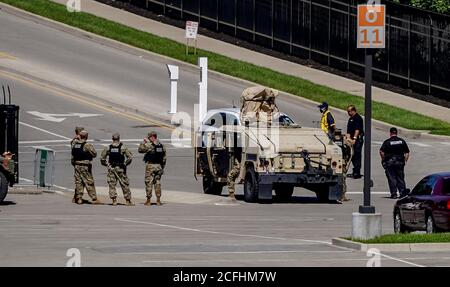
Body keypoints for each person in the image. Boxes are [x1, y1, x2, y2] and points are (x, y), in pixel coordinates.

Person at [100, 133, 134, 206]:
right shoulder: (123, 147)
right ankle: (128, 200)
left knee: (112, 184)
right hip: (121, 168)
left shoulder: (108, 148)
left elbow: (102, 158)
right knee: (124, 184)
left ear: (112, 139)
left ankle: (114, 200)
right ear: (119, 138)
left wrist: (107, 165)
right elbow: (130, 157)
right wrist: (125, 164)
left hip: (112, 168)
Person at [71, 130, 101, 205]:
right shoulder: (87, 145)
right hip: (85, 166)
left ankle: (79, 198)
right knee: (89, 182)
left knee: (79, 182)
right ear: (86, 137)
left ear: (80, 136)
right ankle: (94, 198)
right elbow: (94, 154)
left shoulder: (75, 144)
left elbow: (72, 145)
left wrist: (75, 138)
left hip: (77, 166)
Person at [380, 127, 410, 199]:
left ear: (390, 133)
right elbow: (407, 152)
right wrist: (405, 161)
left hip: (390, 162)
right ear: (396, 133)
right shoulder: (402, 141)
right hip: (400, 162)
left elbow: (381, 152)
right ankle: (402, 192)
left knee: (392, 178)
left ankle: (394, 194)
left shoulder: (387, 142)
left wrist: (383, 159)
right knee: (400, 178)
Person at [138, 131, 166, 206]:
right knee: (157, 183)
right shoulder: (161, 145)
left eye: (149, 137)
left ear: (151, 137)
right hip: (159, 166)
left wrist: (144, 142)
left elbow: (140, 150)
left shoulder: (149, 145)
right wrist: (162, 167)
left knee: (149, 183)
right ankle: (158, 200)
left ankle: (148, 200)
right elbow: (164, 157)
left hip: (150, 166)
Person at [346, 105, 364, 179]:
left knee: (357, 156)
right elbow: (349, 130)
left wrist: (354, 139)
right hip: (351, 139)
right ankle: (355, 171)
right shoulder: (351, 118)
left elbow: (357, 130)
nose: (348, 113)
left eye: (349, 111)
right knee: (352, 155)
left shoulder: (357, 118)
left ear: (353, 110)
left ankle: (357, 173)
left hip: (357, 140)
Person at [71, 127, 84, 203]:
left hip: (78, 162)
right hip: (78, 162)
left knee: (80, 180)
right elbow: (75, 150)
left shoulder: (77, 140)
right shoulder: (76, 141)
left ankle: (76, 197)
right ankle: (78, 197)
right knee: (80, 180)